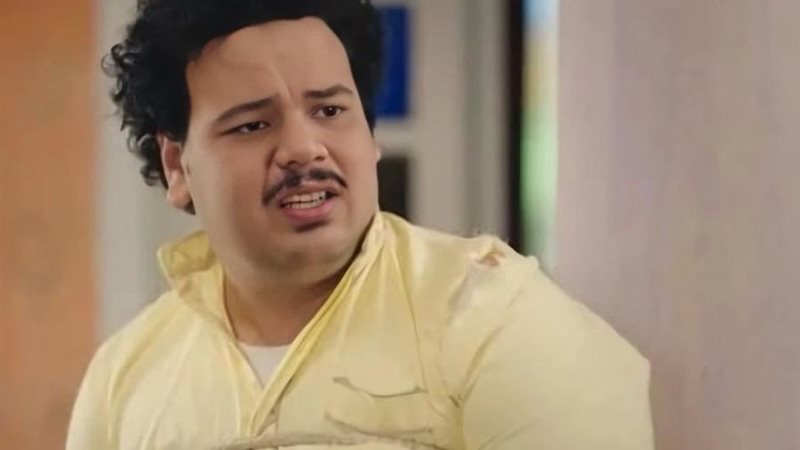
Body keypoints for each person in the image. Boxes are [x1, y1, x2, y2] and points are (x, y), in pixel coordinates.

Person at [67, 0, 654, 448]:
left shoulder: (495, 319)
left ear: (369, 136)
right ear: (177, 166)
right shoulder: (126, 376)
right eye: (252, 125)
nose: (304, 149)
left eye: (329, 110)